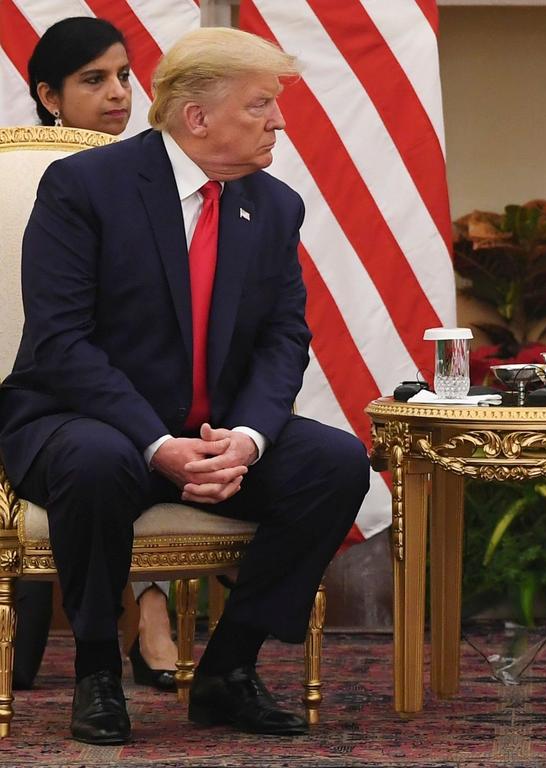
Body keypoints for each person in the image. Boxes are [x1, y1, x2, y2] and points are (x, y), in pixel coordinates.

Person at [0, 27, 370, 744]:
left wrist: (251, 439)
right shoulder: (84, 187)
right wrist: (156, 441)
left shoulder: (273, 206)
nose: (280, 122)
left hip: (213, 432)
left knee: (334, 462)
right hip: (83, 421)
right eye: (261, 105)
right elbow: (62, 341)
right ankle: (99, 674)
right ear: (197, 118)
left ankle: (229, 669)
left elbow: (283, 339)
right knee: (100, 461)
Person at [12, 15, 183, 696]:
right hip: (41, 393)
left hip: (136, 396)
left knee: (140, 435)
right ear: (49, 95)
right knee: (100, 444)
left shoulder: (166, 175)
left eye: (123, 75)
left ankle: (151, 607)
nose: (118, 93)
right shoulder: (28, 178)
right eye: (94, 79)